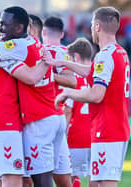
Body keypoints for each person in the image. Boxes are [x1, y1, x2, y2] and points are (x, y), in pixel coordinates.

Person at [0, 6, 65, 187]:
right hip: (41, 117)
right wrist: (46, 65)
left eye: (3, 24)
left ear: (19, 28)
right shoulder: (34, 45)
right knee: (25, 179)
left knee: (15, 180)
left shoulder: (14, 48)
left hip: (28, 121)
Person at [54, 7, 130, 187]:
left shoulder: (105, 56)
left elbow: (96, 95)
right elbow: (92, 71)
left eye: (91, 25)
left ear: (97, 27)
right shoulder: (119, 52)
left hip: (107, 130)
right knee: (94, 184)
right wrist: (63, 63)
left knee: (105, 184)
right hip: (114, 128)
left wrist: (67, 93)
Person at [42, 16, 73, 187]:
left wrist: (46, 75)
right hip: (59, 115)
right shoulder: (65, 53)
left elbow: (71, 81)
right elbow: (72, 81)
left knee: (36, 177)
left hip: (41, 118)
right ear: (62, 34)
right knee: (63, 178)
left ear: (43, 32)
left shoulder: (37, 50)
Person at [64, 37, 98, 187]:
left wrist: (62, 135)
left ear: (75, 57)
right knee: (95, 177)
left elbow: (68, 111)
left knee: (68, 178)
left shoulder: (74, 80)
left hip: (76, 137)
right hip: (95, 135)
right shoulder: (99, 76)